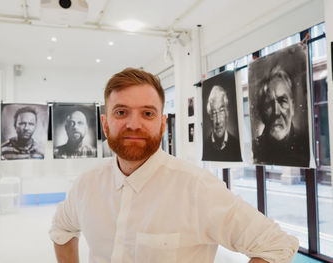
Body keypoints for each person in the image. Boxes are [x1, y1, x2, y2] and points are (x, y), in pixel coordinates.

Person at [50, 68, 298, 263]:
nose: (133, 124)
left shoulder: (197, 188)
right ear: (105, 124)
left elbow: (276, 245)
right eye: (121, 112)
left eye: (147, 113)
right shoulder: (87, 184)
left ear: (161, 123)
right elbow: (62, 231)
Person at [253, 65, 310, 167]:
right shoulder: (256, 148)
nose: (276, 112)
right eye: (268, 104)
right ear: (262, 112)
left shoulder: (305, 144)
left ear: (292, 106)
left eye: (282, 101)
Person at [203, 85, 242, 161]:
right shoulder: (204, 147)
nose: (218, 121)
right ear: (209, 117)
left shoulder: (236, 146)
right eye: (214, 113)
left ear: (227, 113)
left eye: (221, 111)